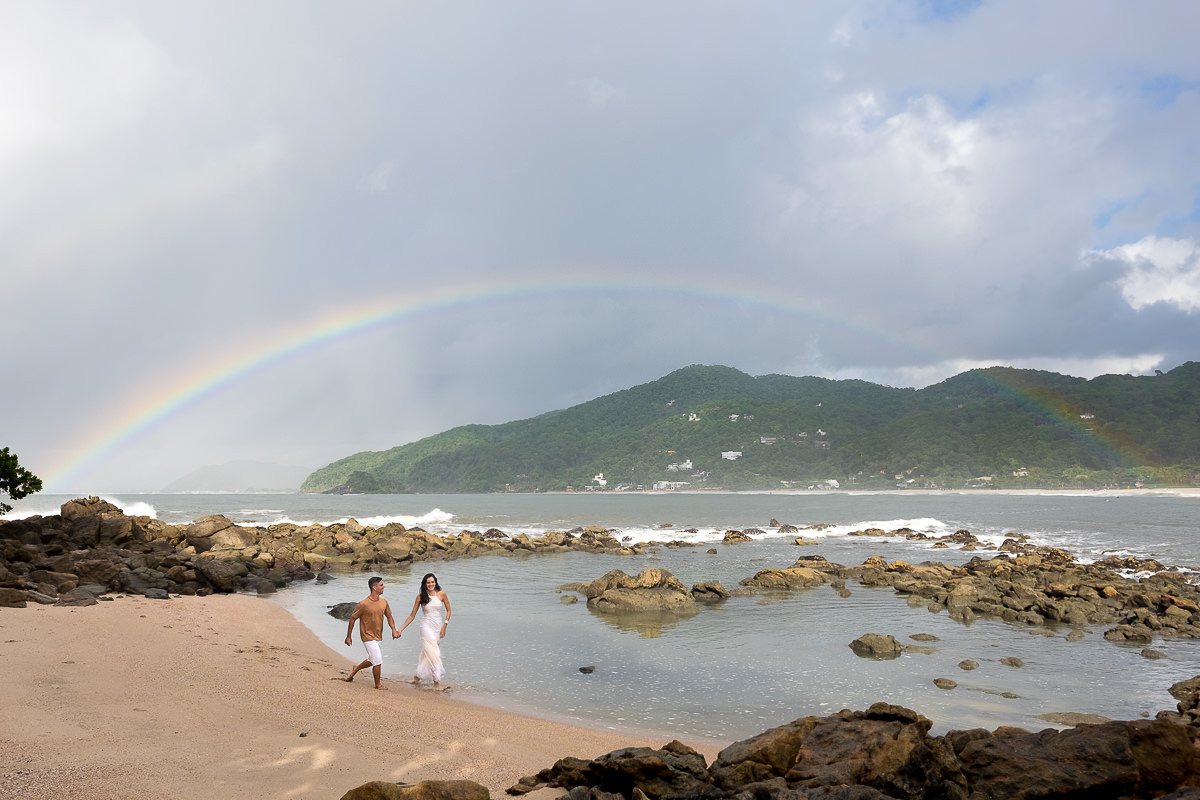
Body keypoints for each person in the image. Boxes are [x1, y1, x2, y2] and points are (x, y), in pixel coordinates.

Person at [398, 572, 451, 691]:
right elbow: (412, 615)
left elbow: (449, 611)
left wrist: (444, 626)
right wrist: (400, 629)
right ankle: (437, 682)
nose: (431, 584)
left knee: (426, 654)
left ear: (435, 582)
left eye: (432, 582)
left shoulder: (442, 594)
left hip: (437, 627)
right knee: (434, 654)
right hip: (426, 627)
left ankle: (416, 677)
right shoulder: (421, 597)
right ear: (425, 584)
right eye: (428, 582)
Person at [344, 576, 399, 689]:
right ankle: (378, 684)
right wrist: (348, 636)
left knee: (372, 659)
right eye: (381, 585)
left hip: (378, 636)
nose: (383, 587)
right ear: (374, 588)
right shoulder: (363, 604)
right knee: (377, 660)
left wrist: (393, 629)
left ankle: (357, 668)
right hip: (367, 636)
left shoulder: (384, 602)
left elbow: (389, 617)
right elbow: (353, 619)